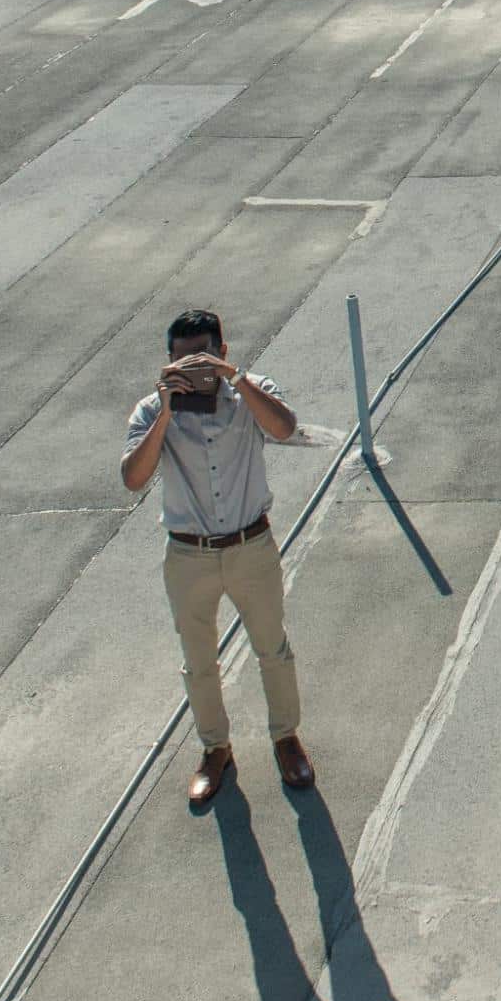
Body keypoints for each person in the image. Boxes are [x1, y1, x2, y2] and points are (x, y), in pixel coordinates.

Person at [121, 308, 315, 806]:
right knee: (199, 662)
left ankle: (286, 738)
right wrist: (166, 412)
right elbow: (133, 478)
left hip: (251, 544)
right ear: (168, 363)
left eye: (203, 357)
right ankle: (215, 750)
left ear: (223, 353)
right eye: (183, 361)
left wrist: (236, 380)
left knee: (273, 649)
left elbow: (285, 427)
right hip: (189, 555)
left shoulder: (249, 392)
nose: (194, 370)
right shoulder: (149, 411)